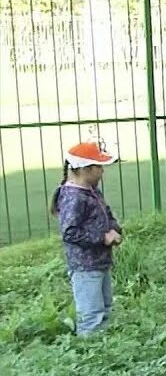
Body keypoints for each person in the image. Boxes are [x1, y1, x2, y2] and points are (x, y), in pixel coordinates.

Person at [52, 141, 122, 335]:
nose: (102, 172)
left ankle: (105, 349)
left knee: (106, 308)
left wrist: (115, 229)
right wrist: (102, 237)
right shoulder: (73, 197)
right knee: (91, 314)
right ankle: (90, 351)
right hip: (85, 265)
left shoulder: (91, 190)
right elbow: (70, 232)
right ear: (85, 169)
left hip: (100, 262)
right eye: (98, 167)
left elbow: (106, 213)